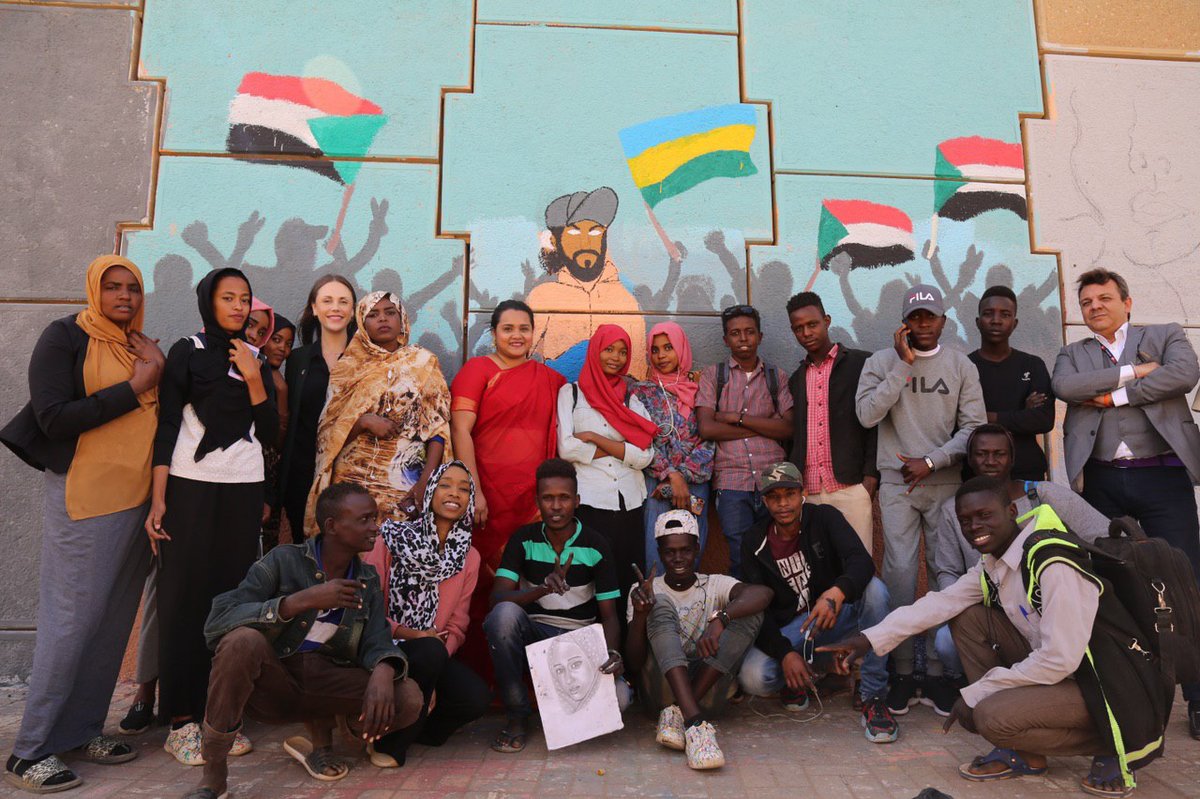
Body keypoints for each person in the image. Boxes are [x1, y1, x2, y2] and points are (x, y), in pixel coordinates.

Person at [821, 476, 1173, 797]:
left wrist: (978, 692)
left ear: (1011, 511)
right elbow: (942, 602)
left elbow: (1059, 659)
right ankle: (1026, 754)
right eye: (966, 520)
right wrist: (868, 639)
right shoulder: (996, 561)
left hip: (1108, 684)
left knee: (991, 717)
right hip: (1068, 672)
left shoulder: (1053, 563)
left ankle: (1112, 742)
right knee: (968, 618)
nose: (975, 527)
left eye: (984, 515)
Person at [1, 255, 163, 794]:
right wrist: (136, 387)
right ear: (95, 289)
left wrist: (151, 371)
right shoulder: (64, 337)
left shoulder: (139, 346)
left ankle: (82, 730)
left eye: (132, 288)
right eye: (113, 287)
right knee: (70, 622)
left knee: (111, 622)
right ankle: (30, 751)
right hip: (87, 498)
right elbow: (53, 417)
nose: (124, 296)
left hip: (138, 501)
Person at [178, 483, 424, 799]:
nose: (375, 527)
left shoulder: (367, 579)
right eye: (364, 519)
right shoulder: (284, 560)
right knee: (242, 641)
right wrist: (298, 601)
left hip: (328, 683)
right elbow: (218, 620)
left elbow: (377, 639)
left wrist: (385, 669)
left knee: (409, 697)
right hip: (275, 683)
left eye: (374, 518)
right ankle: (214, 773)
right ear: (332, 526)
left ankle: (339, 730)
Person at [1052, 266, 1200, 738]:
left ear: (1127, 302)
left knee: (1185, 581)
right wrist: (1135, 372)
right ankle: (1131, 696)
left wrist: (1114, 397)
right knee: (1112, 586)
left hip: (1163, 479)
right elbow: (1067, 389)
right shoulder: (1072, 354)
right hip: (1101, 482)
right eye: (1087, 302)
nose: (1095, 307)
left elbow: (1185, 374)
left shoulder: (1165, 335)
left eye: (1104, 299)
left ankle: (1197, 698)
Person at [147, 267, 278, 765]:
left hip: (243, 488)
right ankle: (180, 721)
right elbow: (166, 423)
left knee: (231, 600)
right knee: (183, 599)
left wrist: (253, 375)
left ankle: (218, 718)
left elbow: (270, 433)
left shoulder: (254, 358)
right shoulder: (188, 350)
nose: (239, 307)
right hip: (189, 486)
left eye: (245, 298)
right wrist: (159, 497)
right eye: (228, 298)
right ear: (209, 302)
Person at [855, 283, 985, 712]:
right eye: (915, 317)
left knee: (945, 572)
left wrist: (931, 461)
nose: (923, 324)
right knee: (899, 575)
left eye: (930, 316)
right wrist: (903, 365)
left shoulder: (961, 365)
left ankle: (938, 671)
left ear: (943, 321)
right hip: (897, 486)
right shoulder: (880, 362)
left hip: (944, 483)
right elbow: (866, 415)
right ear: (904, 323)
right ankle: (903, 670)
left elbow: (973, 428)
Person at [929, 424, 1111, 714]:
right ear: (970, 459)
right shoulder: (955, 508)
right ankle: (990, 699)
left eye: (999, 454)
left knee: (1058, 653)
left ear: (1012, 458)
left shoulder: (1044, 495)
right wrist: (962, 601)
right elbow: (947, 570)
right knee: (945, 641)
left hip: (1048, 611)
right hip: (990, 612)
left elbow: (1103, 535)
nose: (990, 461)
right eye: (982, 454)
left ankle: (1034, 696)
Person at [735, 463, 897, 742]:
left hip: (836, 615)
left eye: (789, 494)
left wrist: (836, 593)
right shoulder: (754, 540)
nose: (783, 504)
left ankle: (873, 696)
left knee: (875, 591)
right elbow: (757, 610)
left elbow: (861, 562)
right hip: (796, 630)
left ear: (802, 493)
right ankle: (809, 671)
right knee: (754, 676)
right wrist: (785, 654)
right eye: (774, 497)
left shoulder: (824, 518)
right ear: (765, 501)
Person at [450, 299, 566, 674]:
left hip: (531, 503)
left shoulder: (549, 380)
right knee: (482, 583)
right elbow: (460, 430)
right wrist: (474, 491)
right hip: (486, 497)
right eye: (508, 329)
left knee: (530, 583)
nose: (517, 336)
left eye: (524, 329)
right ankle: (479, 676)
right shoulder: (477, 370)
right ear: (494, 333)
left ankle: (525, 679)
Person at [483, 458, 628, 754]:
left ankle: (563, 713)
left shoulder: (596, 545)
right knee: (503, 616)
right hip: (535, 640)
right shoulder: (523, 540)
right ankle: (517, 715)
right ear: (538, 501)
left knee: (621, 698)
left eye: (564, 498)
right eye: (548, 498)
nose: (556, 506)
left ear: (577, 501)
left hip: (578, 642)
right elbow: (496, 600)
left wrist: (612, 654)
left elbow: (610, 616)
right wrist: (542, 589)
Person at [362, 461, 490, 764]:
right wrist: (414, 635)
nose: (454, 493)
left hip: (430, 651)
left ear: (470, 500)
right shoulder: (391, 538)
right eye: (445, 485)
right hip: (383, 644)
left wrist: (433, 669)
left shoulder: (468, 556)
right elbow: (367, 607)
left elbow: (457, 625)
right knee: (429, 650)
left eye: (464, 489)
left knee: (475, 698)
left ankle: (416, 727)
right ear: (430, 491)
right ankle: (389, 745)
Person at [625, 510, 769, 770]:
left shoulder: (714, 584)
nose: (678, 558)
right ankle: (695, 724)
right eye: (670, 552)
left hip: (707, 694)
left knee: (749, 611)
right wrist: (640, 615)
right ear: (659, 552)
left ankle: (681, 714)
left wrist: (721, 618)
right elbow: (634, 664)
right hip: (660, 694)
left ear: (697, 549)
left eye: (686, 550)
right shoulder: (644, 591)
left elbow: (763, 593)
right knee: (659, 603)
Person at [304, 291, 450, 534]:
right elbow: (327, 436)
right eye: (373, 315)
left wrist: (426, 481)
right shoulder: (347, 368)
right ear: (362, 323)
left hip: (404, 483)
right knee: (351, 545)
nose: (383, 319)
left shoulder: (423, 363)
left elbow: (438, 429)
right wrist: (363, 422)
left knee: (397, 546)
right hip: (351, 480)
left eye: (390, 312)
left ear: (402, 319)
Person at [558, 324, 657, 619]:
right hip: (590, 501)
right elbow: (567, 448)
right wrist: (621, 447)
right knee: (591, 579)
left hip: (629, 502)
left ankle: (627, 645)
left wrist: (595, 438)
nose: (616, 357)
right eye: (609, 349)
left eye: (623, 351)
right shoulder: (571, 394)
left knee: (628, 580)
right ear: (595, 351)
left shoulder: (630, 398)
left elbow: (646, 455)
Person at [696, 304, 794, 578]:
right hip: (731, 481)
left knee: (778, 553)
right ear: (725, 339)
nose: (743, 338)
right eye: (735, 333)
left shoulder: (776, 377)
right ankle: (745, 606)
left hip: (773, 479)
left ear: (760, 336)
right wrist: (764, 427)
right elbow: (706, 428)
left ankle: (776, 607)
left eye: (749, 332)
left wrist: (735, 418)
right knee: (740, 555)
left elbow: (788, 428)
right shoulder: (713, 376)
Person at [785, 291, 878, 553]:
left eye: (812, 324)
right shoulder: (796, 379)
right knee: (818, 568)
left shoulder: (862, 364)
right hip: (809, 491)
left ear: (826, 321)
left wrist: (871, 478)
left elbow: (877, 424)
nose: (806, 333)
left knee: (858, 565)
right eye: (798, 328)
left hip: (851, 487)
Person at [527, 187, 646, 380]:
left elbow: (636, 373)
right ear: (556, 241)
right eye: (574, 232)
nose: (586, 242)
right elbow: (524, 363)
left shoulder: (626, 302)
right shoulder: (542, 297)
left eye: (594, 231)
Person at [633, 323, 715, 573]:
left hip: (695, 484)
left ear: (681, 348)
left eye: (668, 347)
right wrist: (671, 475)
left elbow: (709, 439)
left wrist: (683, 476)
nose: (661, 355)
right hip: (657, 484)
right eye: (655, 350)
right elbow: (641, 440)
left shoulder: (701, 391)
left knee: (691, 551)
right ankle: (655, 598)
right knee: (656, 553)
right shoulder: (641, 393)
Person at [280, 274, 356, 536]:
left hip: (351, 474)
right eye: (327, 300)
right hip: (302, 476)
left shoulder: (365, 361)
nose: (335, 307)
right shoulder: (297, 360)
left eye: (343, 301)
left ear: (353, 311)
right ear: (314, 308)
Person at [969, 286, 1054, 481]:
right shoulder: (965, 367)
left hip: (1027, 471)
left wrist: (986, 416)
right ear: (978, 322)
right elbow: (959, 421)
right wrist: (1022, 414)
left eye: (1005, 314)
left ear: (1014, 323)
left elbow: (1043, 420)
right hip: (976, 475)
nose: (996, 320)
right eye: (988, 313)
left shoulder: (1033, 365)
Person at [260, 312, 295, 549]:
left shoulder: (279, 381)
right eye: (277, 339)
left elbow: (279, 442)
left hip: (271, 480)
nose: (283, 348)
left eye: (289, 343)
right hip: (250, 475)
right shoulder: (251, 376)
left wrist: (282, 391)